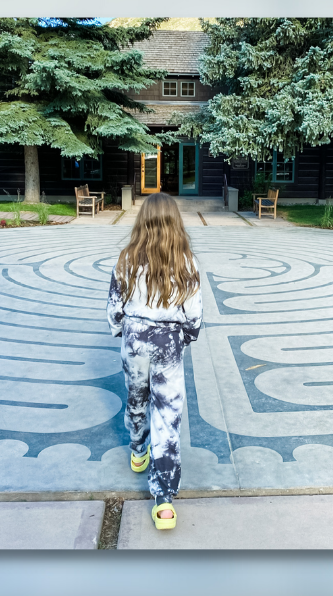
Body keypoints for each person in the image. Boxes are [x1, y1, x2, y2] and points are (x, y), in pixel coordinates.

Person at [106, 193, 203, 530]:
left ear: (142, 221)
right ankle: (163, 500)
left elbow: (114, 309)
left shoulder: (126, 258)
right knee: (167, 415)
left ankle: (137, 449)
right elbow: (194, 316)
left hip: (134, 340)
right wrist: (186, 337)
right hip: (168, 344)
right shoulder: (186, 261)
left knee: (136, 398)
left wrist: (123, 330)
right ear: (175, 222)